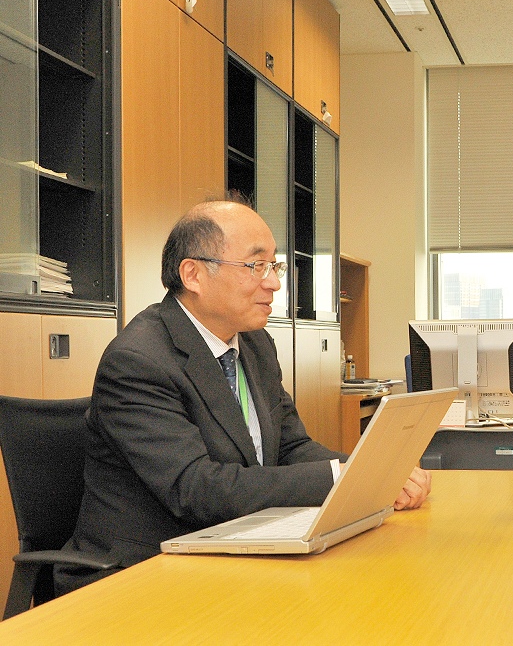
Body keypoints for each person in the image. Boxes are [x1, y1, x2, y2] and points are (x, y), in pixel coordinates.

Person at [55, 200, 432, 593]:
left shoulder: (254, 344)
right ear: (193, 274)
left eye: (274, 266)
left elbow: (291, 447)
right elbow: (196, 488)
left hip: (229, 549)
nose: (274, 284)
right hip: (140, 574)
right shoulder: (138, 360)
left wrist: (373, 472)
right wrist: (341, 478)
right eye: (256, 265)